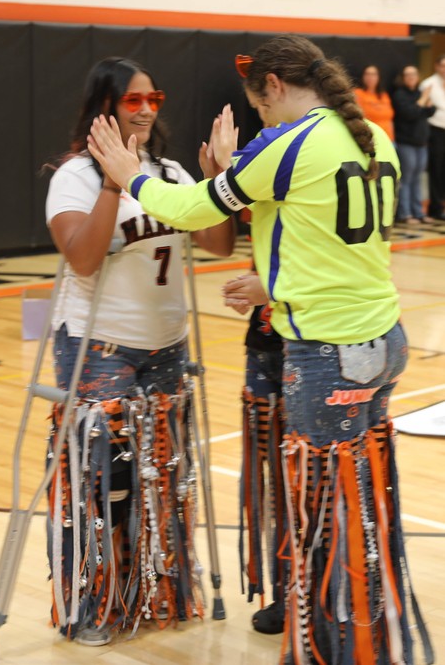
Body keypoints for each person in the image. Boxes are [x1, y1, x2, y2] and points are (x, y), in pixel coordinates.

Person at [88, 34, 434, 664]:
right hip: (384, 340)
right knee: (360, 502)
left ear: (273, 86)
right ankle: (365, 640)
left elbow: (192, 209)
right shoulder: (370, 136)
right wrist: (236, 172)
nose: (261, 123)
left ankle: (334, 650)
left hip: (327, 354)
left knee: (321, 514)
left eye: (261, 109)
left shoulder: (290, 142)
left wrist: (128, 175)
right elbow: (332, 244)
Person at [45, 56, 236, 646]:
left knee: (163, 477)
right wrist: (112, 180)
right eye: (134, 100)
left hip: (167, 347)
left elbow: (219, 244)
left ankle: (155, 592)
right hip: (100, 347)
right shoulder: (73, 178)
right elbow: (81, 257)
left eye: (154, 97)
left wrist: (217, 184)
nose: (148, 108)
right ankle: (93, 603)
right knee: (104, 480)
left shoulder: (171, 174)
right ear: (105, 105)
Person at [223, 270, 287, 636]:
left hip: (315, 348)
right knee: (273, 483)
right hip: (264, 348)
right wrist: (250, 290)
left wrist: (273, 287)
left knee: (312, 479)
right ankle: (286, 591)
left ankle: (322, 593)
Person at [392, 65, 436, 225]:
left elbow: (428, 112)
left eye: (414, 74)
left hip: (422, 142)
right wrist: (423, 100)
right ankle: (405, 213)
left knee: (418, 179)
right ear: (403, 78)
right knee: (407, 178)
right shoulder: (400, 95)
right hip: (406, 143)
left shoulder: (419, 93)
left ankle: (418, 212)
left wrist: (427, 102)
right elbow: (410, 113)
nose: (411, 77)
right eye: (408, 75)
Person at [420, 54, 445, 220]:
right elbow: (425, 109)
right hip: (435, 130)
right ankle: (435, 208)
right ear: (436, 66)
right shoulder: (428, 84)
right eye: (442, 65)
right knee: (436, 169)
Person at [354, 64, 395, 142]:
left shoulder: (384, 95)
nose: (370, 77)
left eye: (373, 74)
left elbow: (390, 119)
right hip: (372, 139)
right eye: (367, 74)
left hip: (388, 138)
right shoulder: (357, 93)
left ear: (378, 77)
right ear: (363, 76)